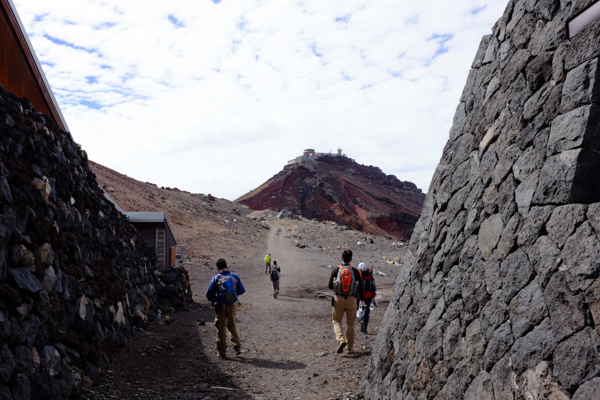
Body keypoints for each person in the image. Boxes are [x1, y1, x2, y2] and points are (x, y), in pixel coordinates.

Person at [205, 259, 246, 359]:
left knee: (221, 329)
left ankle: (222, 353)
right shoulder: (234, 276)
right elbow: (241, 290)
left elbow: (208, 295)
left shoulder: (216, 278)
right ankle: (237, 347)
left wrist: (215, 299)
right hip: (232, 305)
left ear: (218, 268)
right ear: (226, 266)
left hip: (220, 306)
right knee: (232, 325)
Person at [328, 249, 363, 355]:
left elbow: (330, 286)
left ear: (341, 258)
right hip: (352, 300)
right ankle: (349, 348)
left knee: (336, 321)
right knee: (350, 324)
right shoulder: (355, 271)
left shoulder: (336, 270)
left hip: (338, 299)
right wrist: (361, 300)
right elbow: (360, 288)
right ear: (351, 259)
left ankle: (341, 339)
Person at [358, 262, 377, 333]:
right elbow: (374, 287)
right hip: (369, 296)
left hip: (361, 296)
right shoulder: (370, 275)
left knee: (359, 310)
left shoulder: (359, 275)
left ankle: (360, 320)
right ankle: (365, 327)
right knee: (367, 312)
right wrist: (373, 296)